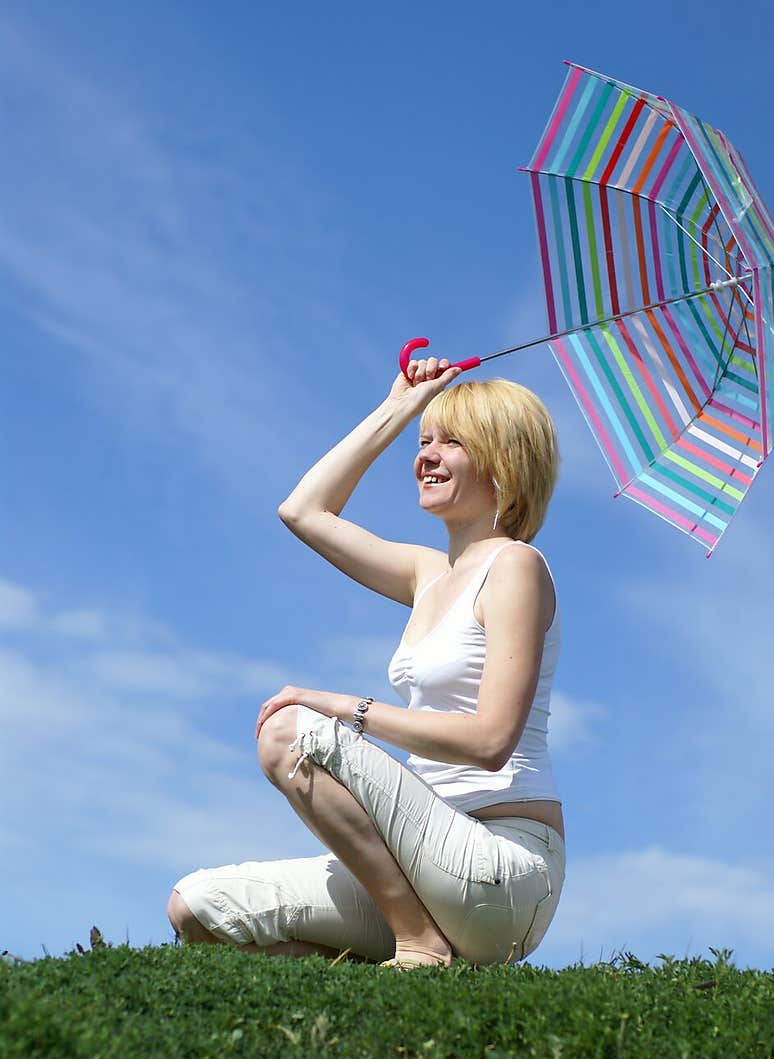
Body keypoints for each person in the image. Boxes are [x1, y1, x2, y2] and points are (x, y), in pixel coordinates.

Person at [167, 354, 565, 968]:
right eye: (423, 441)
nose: (425, 456)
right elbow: (303, 510)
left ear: (503, 462)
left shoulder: (515, 566)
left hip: (500, 872)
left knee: (287, 734)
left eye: (451, 442)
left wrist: (343, 708)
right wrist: (400, 404)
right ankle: (411, 959)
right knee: (196, 909)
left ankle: (419, 945)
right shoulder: (427, 574)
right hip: (416, 865)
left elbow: (490, 741)